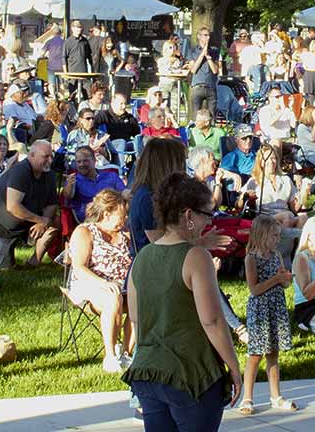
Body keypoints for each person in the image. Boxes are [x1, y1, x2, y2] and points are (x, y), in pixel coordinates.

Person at [122, 172, 243, 431]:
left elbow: (135, 318)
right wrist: (234, 367)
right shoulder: (196, 257)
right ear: (188, 215)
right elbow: (212, 321)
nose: (208, 223)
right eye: (206, 215)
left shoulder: (141, 258)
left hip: (149, 372)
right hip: (192, 375)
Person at [65, 191, 134, 372]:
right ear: (106, 214)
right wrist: (104, 284)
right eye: (122, 214)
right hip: (91, 284)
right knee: (113, 298)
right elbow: (80, 267)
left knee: (141, 301)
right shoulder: (85, 231)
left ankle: (126, 353)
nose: (125, 218)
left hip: (122, 285)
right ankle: (110, 357)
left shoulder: (126, 232)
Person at [235, 217, 299, 415]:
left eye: (278, 236)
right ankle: (247, 398)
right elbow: (254, 289)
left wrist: (285, 279)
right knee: (255, 355)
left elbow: (283, 284)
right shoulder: (251, 258)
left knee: (273, 353)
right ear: (262, 235)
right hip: (260, 311)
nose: (277, 240)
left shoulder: (276, 255)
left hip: (276, 309)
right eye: (274, 235)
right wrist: (276, 279)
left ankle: (276, 396)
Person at [0, 140, 60, 269]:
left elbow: (51, 204)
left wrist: (44, 222)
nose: (50, 160)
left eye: (51, 156)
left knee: (55, 221)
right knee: (6, 267)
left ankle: (34, 262)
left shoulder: (49, 174)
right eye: (45, 156)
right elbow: (13, 206)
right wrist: (40, 220)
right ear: (31, 155)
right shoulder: (21, 172)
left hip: (25, 224)